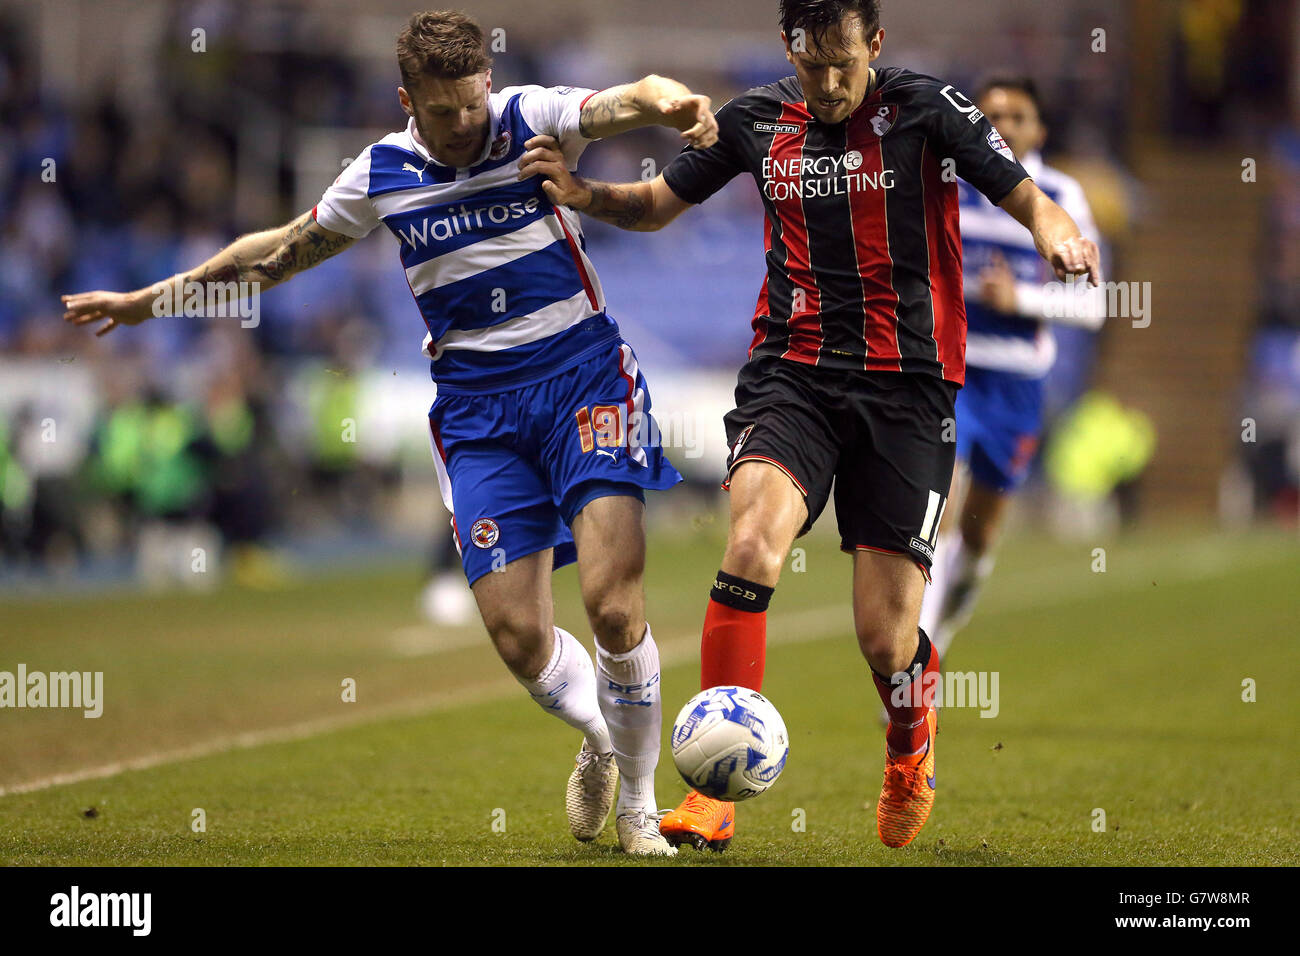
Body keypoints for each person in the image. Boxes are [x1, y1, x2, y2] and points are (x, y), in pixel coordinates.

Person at [61, 9, 722, 857]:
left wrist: (677, 105)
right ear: (408, 99)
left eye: (472, 104)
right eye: (441, 112)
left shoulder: (529, 116)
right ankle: (603, 735)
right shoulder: (379, 174)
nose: (462, 125)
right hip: (477, 411)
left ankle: (637, 805)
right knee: (519, 636)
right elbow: (274, 256)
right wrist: (149, 301)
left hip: (583, 379)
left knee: (612, 604)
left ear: (488, 82)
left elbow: (627, 100)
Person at [526, 0, 1100, 850]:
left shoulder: (926, 106)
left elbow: (1020, 190)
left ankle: (910, 742)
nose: (828, 85)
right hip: (791, 376)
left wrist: (1055, 230)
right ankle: (713, 794)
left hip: (908, 390)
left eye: (844, 64)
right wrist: (582, 195)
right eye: (811, 65)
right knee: (754, 541)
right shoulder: (754, 121)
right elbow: (655, 204)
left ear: (875, 43)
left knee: (884, 635)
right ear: (787, 48)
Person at [918, 75, 1106, 671]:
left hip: (1017, 385)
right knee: (937, 504)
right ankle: (912, 660)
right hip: (952, 375)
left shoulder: (1061, 196)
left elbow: (1094, 304)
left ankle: (938, 638)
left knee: (978, 536)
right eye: (991, 114)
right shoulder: (947, 182)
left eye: (1016, 116)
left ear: (1038, 129)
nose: (1001, 125)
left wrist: (1019, 300)